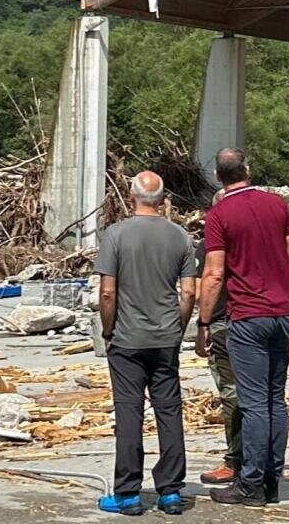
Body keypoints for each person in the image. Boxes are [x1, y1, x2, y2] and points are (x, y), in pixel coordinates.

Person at [198, 148, 289, 507]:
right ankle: (272, 479)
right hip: (282, 312)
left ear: (218, 177)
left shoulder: (219, 214)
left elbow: (214, 273)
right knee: (276, 399)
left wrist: (203, 321)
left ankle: (252, 483)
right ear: (247, 169)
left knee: (254, 403)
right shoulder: (277, 204)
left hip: (248, 316)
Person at [96, 171, 197, 516]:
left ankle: (128, 493)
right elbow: (189, 292)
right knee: (169, 411)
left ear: (131, 197)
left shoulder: (116, 234)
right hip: (165, 337)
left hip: (127, 338)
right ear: (163, 199)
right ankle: (171, 491)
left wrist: (107, 330)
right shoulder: (180, 236)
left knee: (129, 412)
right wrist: (177, 327)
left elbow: (107, 291)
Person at [195, 230, 242, 485]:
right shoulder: (263, 237)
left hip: (225, 322)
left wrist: (203, 323)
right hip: (265, 318)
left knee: (232, 393)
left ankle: (236, 461)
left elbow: (207, 282)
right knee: (267, 393)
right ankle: (267, 460)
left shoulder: (211, 243)